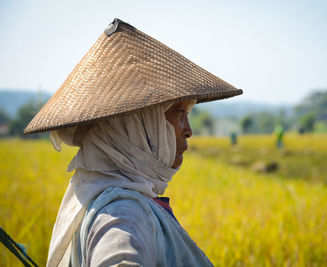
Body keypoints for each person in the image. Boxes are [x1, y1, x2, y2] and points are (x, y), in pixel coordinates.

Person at [24, 19, 242, 267]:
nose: (188, 130)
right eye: (178, 112)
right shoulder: (123, 213)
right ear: (136, 126)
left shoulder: (116, 198)